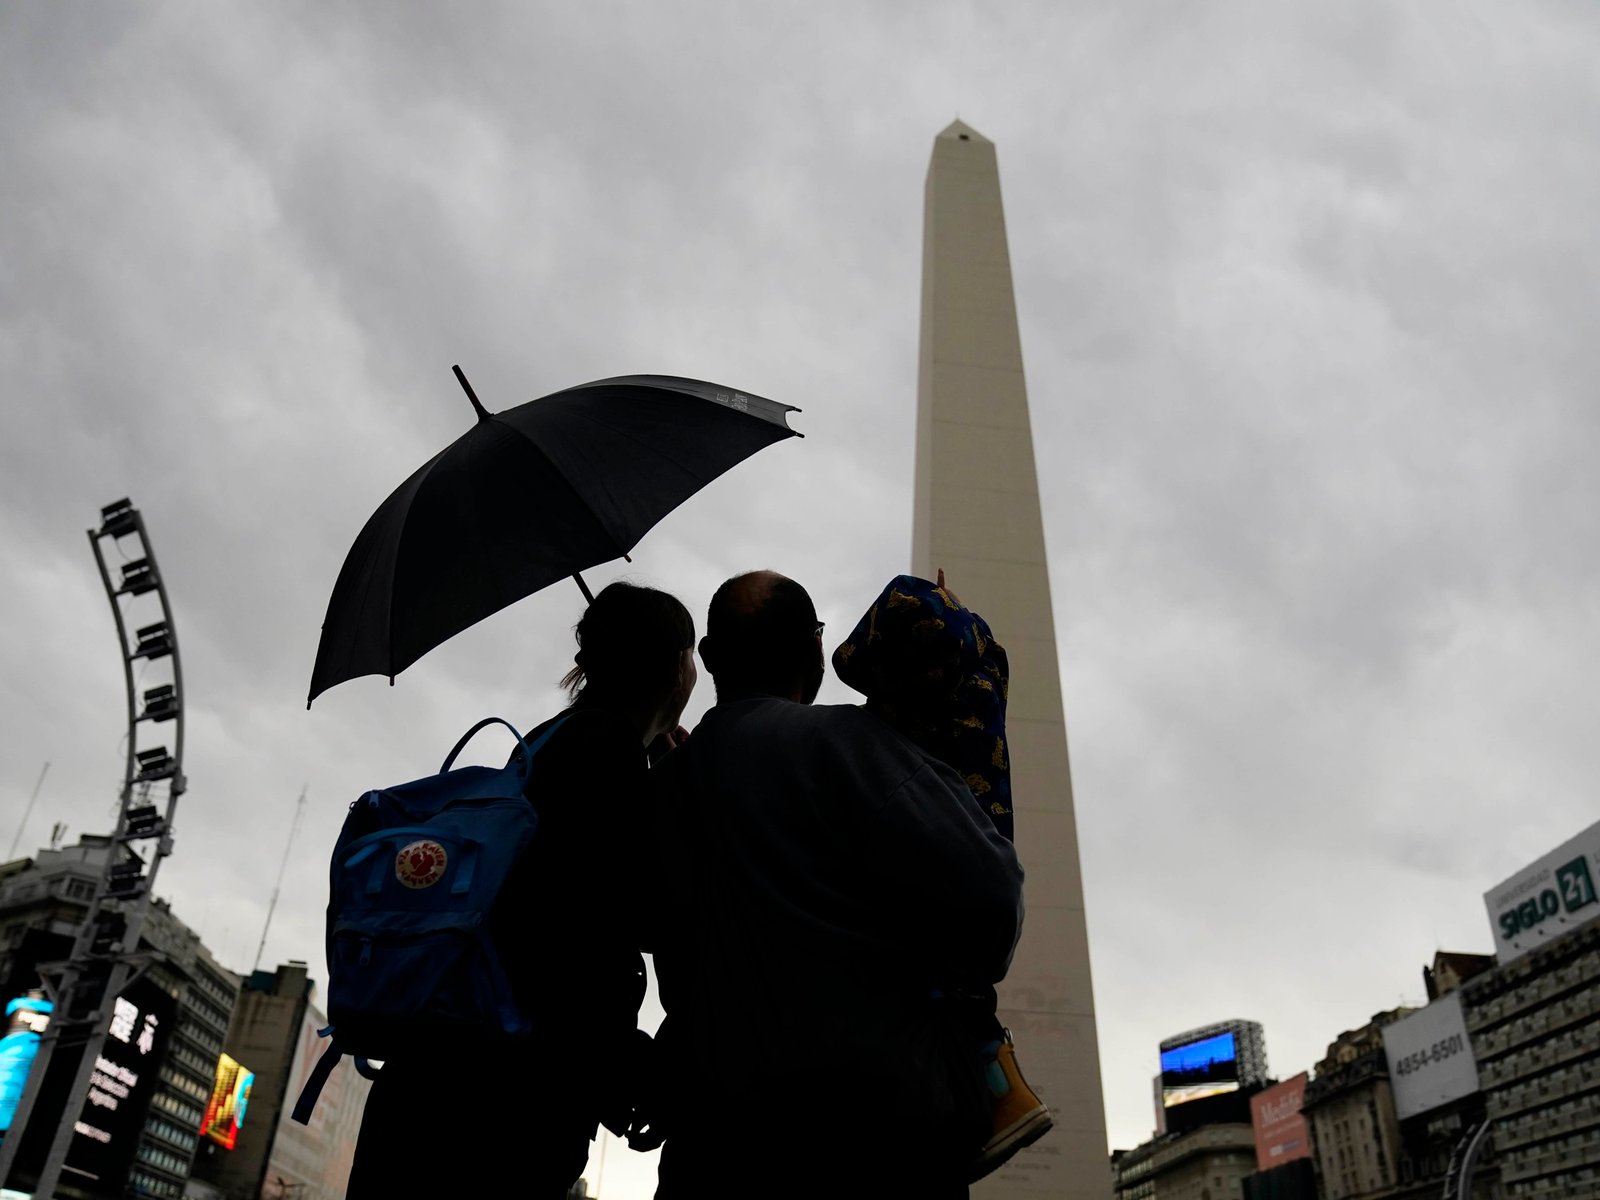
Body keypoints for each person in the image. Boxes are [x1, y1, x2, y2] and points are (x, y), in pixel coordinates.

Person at [645, 570, 1023, 1199]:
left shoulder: (660, 790)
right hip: (871, 1146)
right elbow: (992, 909)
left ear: (709, 658)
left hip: (711, 1148)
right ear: (816, 649)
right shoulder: (855, 747)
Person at [347, 581, 697, 1200]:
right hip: (497, 1111)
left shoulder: (548, 743)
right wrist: (622, 1070)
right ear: (677, 668)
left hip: (434, 1081)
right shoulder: (604, 754)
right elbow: (583, 936)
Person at [831, 570, 1053, 1178]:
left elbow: (856, 664)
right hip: (979, 849)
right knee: (960, 983)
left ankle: (986, 1082)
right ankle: (996, 1080)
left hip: (888, 1036)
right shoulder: (978, 678)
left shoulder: (902, 737)